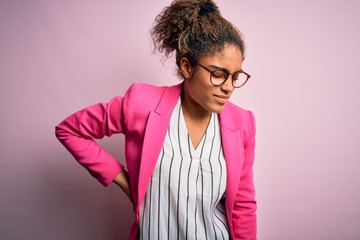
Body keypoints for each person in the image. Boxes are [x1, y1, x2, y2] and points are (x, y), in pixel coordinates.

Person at [55, 0, 257, 239]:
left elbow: (243, 206)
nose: (228, 87)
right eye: (218, 74)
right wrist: (122, 180)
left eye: (234, 77)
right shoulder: (141, 103)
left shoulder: (242, 123)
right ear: (186, 67)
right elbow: (70, 130)